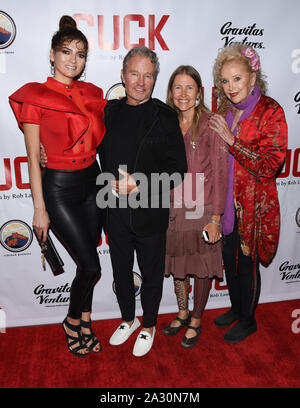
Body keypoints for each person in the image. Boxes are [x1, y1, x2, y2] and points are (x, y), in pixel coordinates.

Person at [9, 16, 106, 357]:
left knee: (87, 262)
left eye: (80, 53)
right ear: (52, 55)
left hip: (93, 182)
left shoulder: (92, 93)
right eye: (66, 51)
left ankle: (85, 320)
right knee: (92, 266)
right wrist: (40, 208)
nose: (73, 59)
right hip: (60, 188)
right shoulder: (35, 96)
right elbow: (34, 159)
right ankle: (70, 322)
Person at [99, 46, 187, 357]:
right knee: (120, 272)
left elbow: (178, 170)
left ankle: (148, 324)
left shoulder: (164, 116)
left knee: (150, 275)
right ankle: (128, 319)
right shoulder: (108, 112)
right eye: (134, 74)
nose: (141, 81)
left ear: (154, 79)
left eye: (148, 75)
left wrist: (141, 182)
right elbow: (86, 149)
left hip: (150, 213)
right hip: (115, 213)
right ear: (122, 75)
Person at [208, 45, 287, 343]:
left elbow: (269, 165)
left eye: (237, 79)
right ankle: (236, 307)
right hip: (227, 204)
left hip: (253, 206)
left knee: (247, 263)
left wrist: (231, 141)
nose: (230, 88)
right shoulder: (226, 111)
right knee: (230, 260)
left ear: (253, 78)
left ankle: (248, 319)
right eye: (225, 81)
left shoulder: (271, 111)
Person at [163, 66, 228, 348]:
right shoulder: (165, 122)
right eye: (178, 87)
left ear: (200, 92)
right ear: (170, 92)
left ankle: (197, 319)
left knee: (202, 266)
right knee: (178, 264)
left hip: (202, 208)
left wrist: (215, 217)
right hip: (172, 207)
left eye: (190, 87)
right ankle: (182, 311)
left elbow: (221, 172)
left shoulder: (212, 123)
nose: (184, 94)